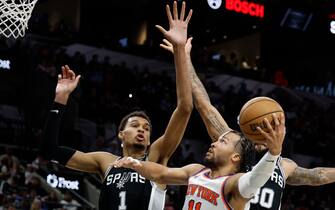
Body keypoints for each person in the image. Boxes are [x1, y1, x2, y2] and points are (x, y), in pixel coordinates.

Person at [39, 2, 193, 210]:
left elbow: (184, 108)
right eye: (136, 125)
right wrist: (61, 98)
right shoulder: (105, 162)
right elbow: (49, 150)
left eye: (147, 129)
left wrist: (180, 51)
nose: (142, 130)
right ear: (121, 134)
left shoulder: (156, 157)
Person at [159, 31, 335, 210]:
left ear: (277, 131)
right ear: (249, 128)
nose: (262, 132)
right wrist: (184, 56)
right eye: (258, 127)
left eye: (267, 127)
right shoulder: (233, 144)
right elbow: (205, 106)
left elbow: (318, 175)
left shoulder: (284, 165)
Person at [114, 114, 285, 210]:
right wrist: (136, 164)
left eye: (222, 142)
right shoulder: (196, 171)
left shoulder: (233, 183)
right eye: (217, 140)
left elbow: (255, 179)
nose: (213, 143)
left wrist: (273, 153)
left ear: (235, 157)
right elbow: (161, 173)